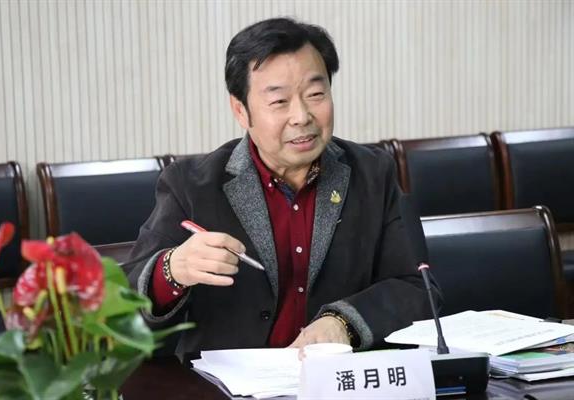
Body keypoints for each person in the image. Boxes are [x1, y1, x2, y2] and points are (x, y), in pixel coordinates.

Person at [124, 17, 440, 358]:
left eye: (315, 94)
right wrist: (172, 270)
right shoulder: (190, 185)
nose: (301, 116)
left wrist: (343, 323)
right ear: (241, 110)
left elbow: (417, 289)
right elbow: (124, 307)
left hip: (335, 377)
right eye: (279, 102)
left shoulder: (373, 173)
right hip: (225, 383)